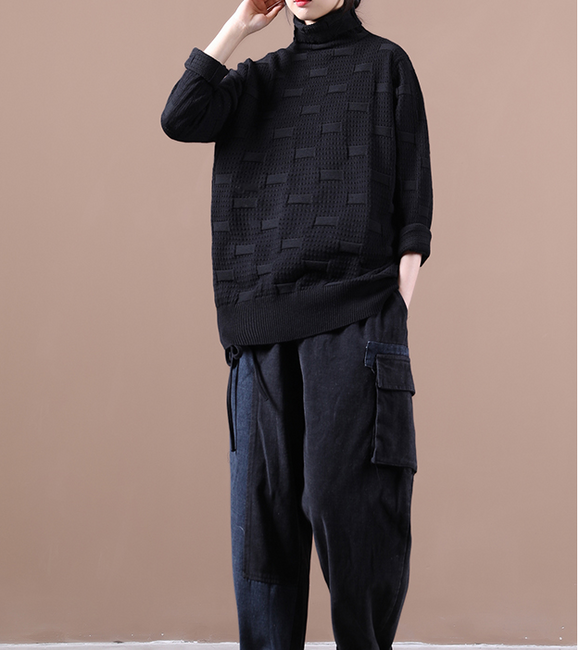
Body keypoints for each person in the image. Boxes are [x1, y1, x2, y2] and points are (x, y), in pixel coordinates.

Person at [161, 0, 433, 647]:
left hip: (355, 320)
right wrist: (239, 26)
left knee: (354, 515)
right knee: (264, 530)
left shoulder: (386, 66)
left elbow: (414, 210)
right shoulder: (260, 78)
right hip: (259, 332)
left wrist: (392, 311)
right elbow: (180, 116)